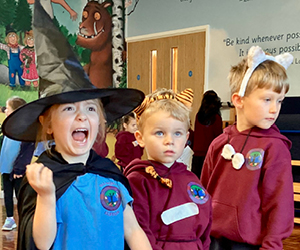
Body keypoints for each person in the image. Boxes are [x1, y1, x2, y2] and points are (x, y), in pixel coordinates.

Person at [2, 1, 152, 250]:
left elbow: (132, 230)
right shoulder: (43, 177)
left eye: (91, 109)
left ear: (100, 121)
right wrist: (47, 196)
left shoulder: (110, 175)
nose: (82, 117)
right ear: (47, 124)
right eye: (69, 109)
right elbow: (40, 241)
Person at [200, 46, 294, 250]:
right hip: (213, 241)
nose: (274, 109)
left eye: (279, 101)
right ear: (238, 100)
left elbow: (280, 206)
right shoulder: (219, 143)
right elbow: (204, 193)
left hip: (250, 245)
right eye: (267, 99)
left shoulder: (275, 148)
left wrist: (272, 245)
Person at [124, 88, 212, 250]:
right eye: (159, 133)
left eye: (177, 133)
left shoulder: (191, 179)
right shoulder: (137, 180)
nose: (169, 140)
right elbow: (140, 232)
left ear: (186, 138)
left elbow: (205, 227)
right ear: (140, 137)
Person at [0, 96, 35, 231]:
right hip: (6, 169)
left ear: (15, 111)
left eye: (7, 108)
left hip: (18, 172)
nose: (5, 111)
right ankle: (9, 219)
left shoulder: (25, 129)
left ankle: (24, 220)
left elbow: (26, 151)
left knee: (21, 196)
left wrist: (19, 169)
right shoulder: (8, 127)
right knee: (7, 194)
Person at [192, 90, 223, 178]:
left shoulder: (198, 116)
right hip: (209, 154)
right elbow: (218, 138)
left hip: (197, 154)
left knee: (196, 181)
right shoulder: (216, 118)